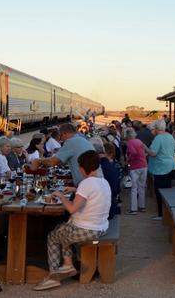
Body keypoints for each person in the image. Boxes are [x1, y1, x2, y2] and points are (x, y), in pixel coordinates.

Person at [33, 150, 110, 291]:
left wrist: (60, 196)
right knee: (62, 229)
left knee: (53, 236)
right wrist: (76, 190)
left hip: (87, 230)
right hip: (101, 227)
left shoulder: (86, 184)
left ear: (81, 168)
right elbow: (92, 193)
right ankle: (68, 264)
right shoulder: (103, 181)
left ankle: (53, 277)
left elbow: (72, 209)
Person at [30, 123, 102, 186]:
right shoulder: (81, 139)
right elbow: (62, 161)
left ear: (65, 133)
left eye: (61, 137)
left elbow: (52, 162)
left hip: (88, 185)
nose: (61, 140)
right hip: (97, 182)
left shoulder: (71, 142)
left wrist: (38, 161)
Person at [144, 120, 175, 220]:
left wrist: (145, 148)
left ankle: (161, 214)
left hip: (160, 168)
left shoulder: (158, 138)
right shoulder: (170, 136)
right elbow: (174, 150)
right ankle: (167, 213)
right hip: (171, 166)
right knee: (167, 191)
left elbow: (153, 153)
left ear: (156, 129)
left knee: (160, 192)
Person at [124, 127, 147, 215]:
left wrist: (129, 159)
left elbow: (133, 153)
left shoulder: (130, 142)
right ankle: (142, 206)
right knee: (141, 187)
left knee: (134, 188)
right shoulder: (139, 141)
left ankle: (133, 209)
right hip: (144, 165)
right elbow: (144, 150)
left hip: (135, 166)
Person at [99, 142, 120, 219]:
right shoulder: (114, 166)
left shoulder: (102, 167)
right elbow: (118, 190)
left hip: (107, 209)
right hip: (112, 204)